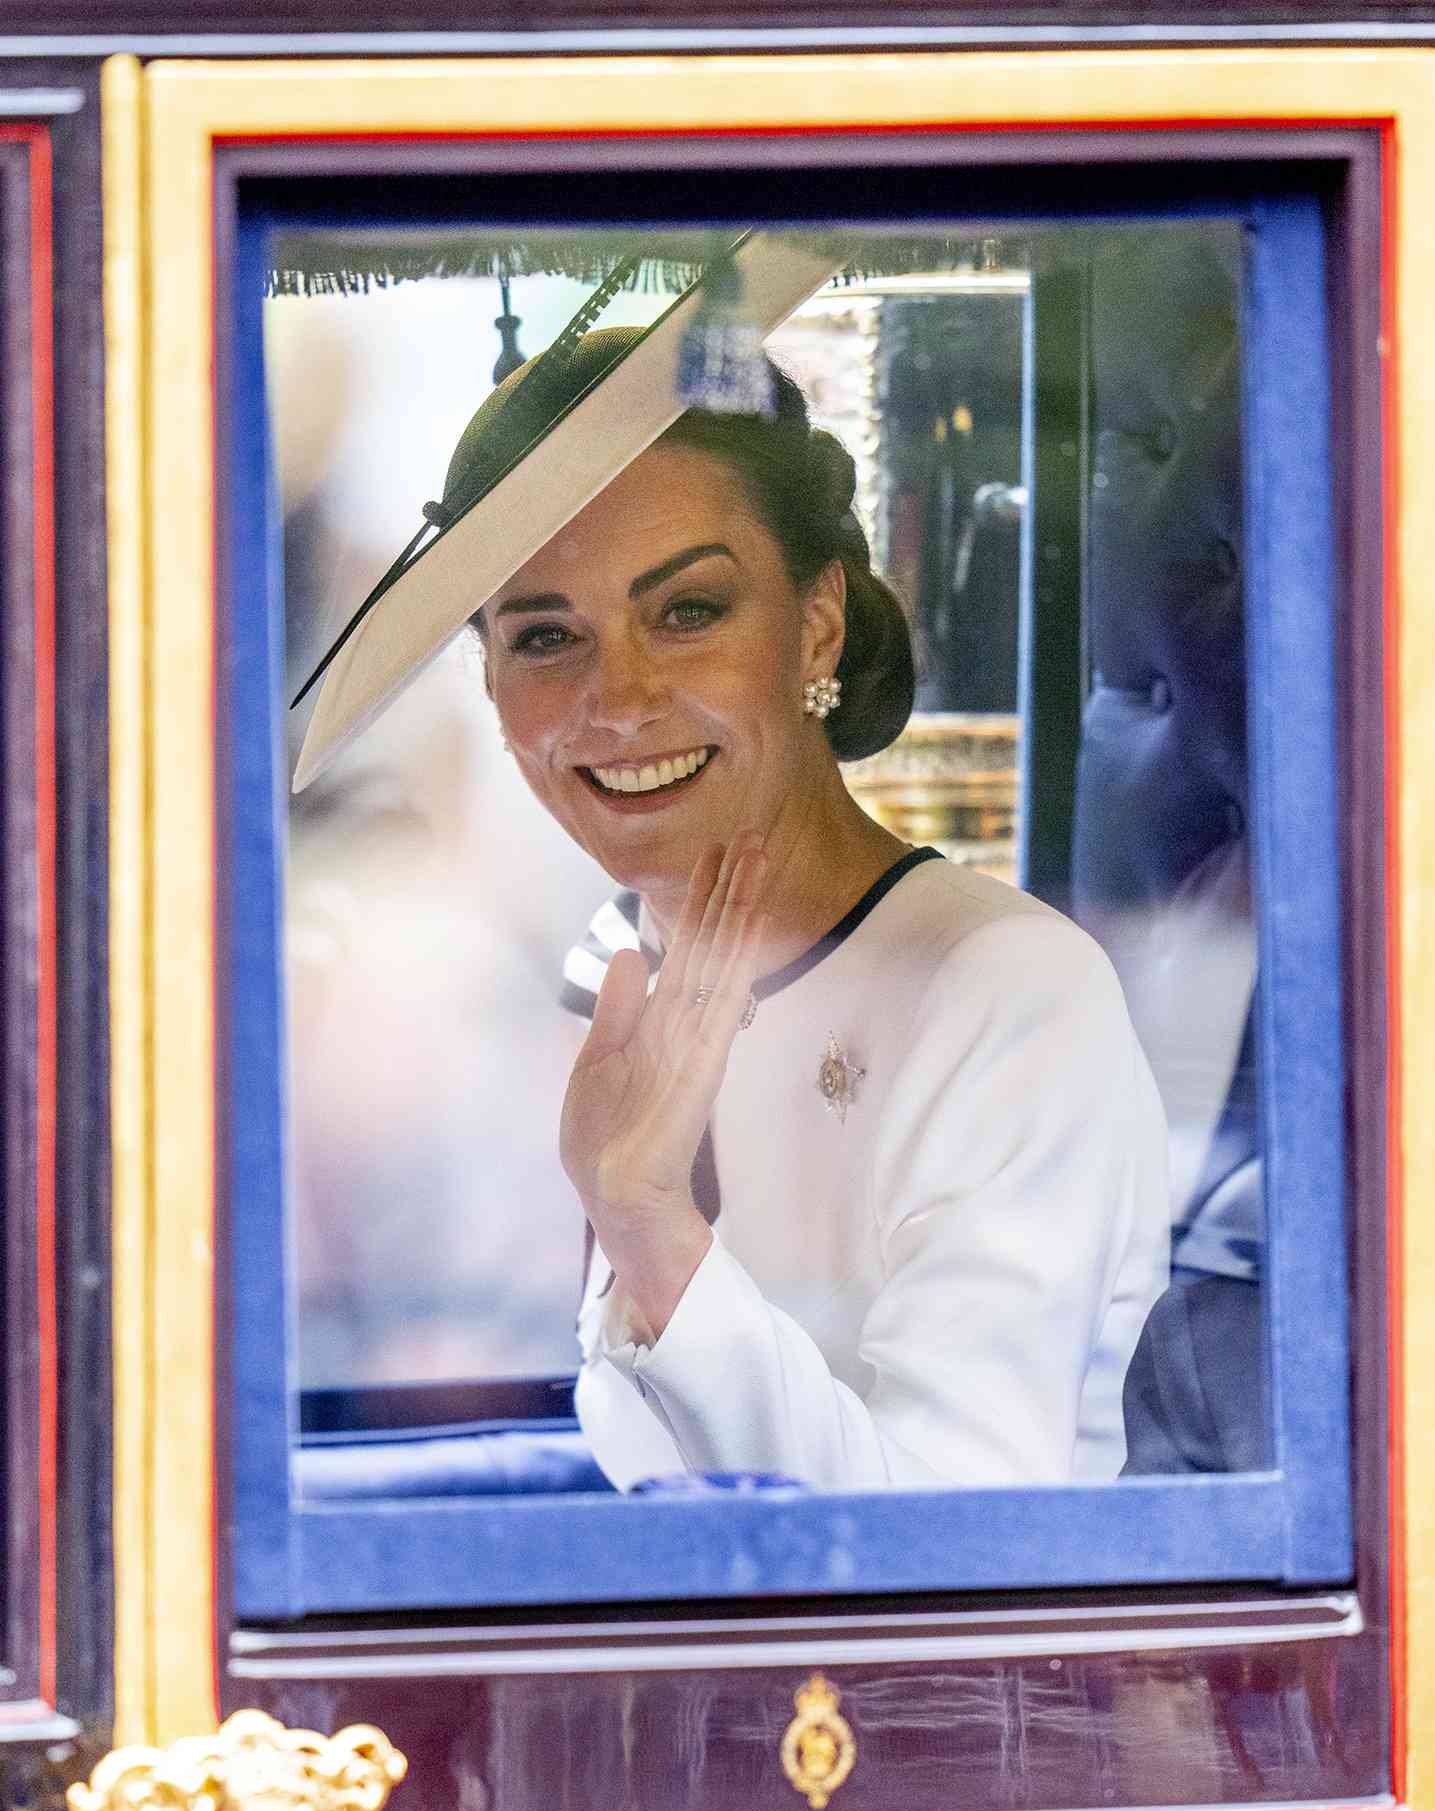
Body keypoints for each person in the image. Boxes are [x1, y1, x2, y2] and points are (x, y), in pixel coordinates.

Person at [302, 269, 1170, 1494]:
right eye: (546, 636)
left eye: (689, 610)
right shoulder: (605, 974)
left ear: (815, 627)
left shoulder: (1008, 994)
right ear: (490, 684)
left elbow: (945, 1557)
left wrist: (649, 1219)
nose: (619, 702)